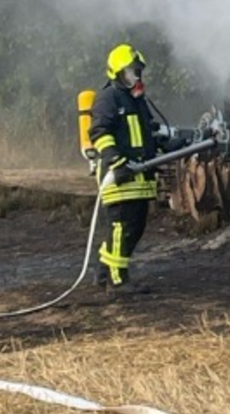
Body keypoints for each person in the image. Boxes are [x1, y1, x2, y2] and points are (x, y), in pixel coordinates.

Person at [90, 44, 163, 299]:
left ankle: (102, 273)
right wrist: (116, 163)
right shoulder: (108, 98)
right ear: (117, 74)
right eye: (131, 73)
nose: (136, 78)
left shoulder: (137, 100)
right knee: (122, 229)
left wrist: (168, 142)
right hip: (120, 178)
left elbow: (147, 133)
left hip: (140, 178)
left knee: (133, 228)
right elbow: (99, 134)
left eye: (138, 72)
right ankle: (117, 282)